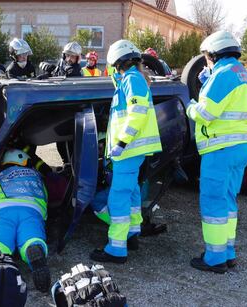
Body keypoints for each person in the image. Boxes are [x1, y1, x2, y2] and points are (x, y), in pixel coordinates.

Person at [186, 31, 247, 273]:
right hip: (241, 146)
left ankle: (214, 259)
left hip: (221, 148)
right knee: (228, 199)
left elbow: (206, 113)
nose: (206, 62)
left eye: (207, 57)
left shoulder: (223, 75)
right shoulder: (242, 73)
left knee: (213, 201)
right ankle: (228, 251)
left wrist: (191, 107)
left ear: (214, 54)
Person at [89, 40, 162, 264]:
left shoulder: (131, 79)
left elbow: (137, 112)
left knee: (118, 196)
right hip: (135, 149)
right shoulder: (132, 79)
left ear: (117, 62)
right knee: (131, 193)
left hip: (128, 148)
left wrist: (121, 142)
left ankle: (116, 248)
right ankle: (132, 234)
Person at [0, 149, 50, 292]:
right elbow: (46, 197)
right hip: (31, 208)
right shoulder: (36, 176)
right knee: (32, 234)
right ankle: (32, 247)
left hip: (2, 209)